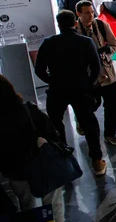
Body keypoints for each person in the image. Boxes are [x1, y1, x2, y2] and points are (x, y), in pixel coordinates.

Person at [34, 10, 106, 176]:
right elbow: (96, 67)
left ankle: (64, 159)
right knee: (89, 124)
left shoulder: (48, 42)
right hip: (80, 87)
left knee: (56, 124)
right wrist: (88, 82)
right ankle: (97, 161)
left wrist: (51, 80)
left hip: (57, 88)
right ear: (75, 23)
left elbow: (39, 69)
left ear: (58, 25)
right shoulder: (86, 42)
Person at [0, 75, 66, 222]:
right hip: (43, 165)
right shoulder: (28, 110)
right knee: (52, 201)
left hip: (16, 172)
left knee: (27, 205)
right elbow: (52, 133)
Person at [75, 1, 116, 147]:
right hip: (88, 77)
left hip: (107, 73)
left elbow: (114, 44)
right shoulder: (74, 30)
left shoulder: (102, 25)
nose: (91, 15)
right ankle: (82, 123)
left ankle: (110, 134)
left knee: (112, 107)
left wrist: (105, 54)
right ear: (78, 14)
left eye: (92, 12)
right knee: (91, 105)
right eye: (86, 12)